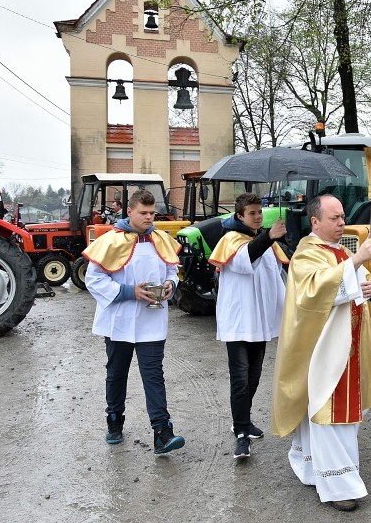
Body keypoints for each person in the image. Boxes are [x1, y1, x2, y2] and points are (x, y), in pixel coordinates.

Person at [271, 194, 371, 512]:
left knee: (340, 413)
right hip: (324, 350)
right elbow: (313, 293)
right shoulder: (306, 253)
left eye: (343, 217)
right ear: (315, 222)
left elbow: (356, 282)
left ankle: (312, 466)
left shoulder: (339, 250)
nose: (342, 222)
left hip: (350, 346)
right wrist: (357, 262)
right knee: (330, 414)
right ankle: (338, 484)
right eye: (335, 218)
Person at [83, 189, 186, 455]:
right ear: (129, 212)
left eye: (152, 213)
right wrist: (130, 292)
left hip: (151, 319)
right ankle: (114, 421)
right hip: (119, 321)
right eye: (143, 213)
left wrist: (169, 285)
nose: (149, 218)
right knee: (116, 374)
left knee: (154, 375)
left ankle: (162, 432)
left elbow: (173, 269)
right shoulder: (110, 241)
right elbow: (93, 279)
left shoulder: (160, 239)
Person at [208, 193, 288, 459]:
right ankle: (241, 433)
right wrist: (269, 237)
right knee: (240, 378)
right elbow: (247, 259)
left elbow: (278, 276)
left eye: (260, 212)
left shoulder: (263, 241)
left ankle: (243, 419)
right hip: (239, 322)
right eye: (252, 213)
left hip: (260, 321)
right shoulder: (232, 240)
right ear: (239, 216)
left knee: (253, 377)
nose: (257, 217)